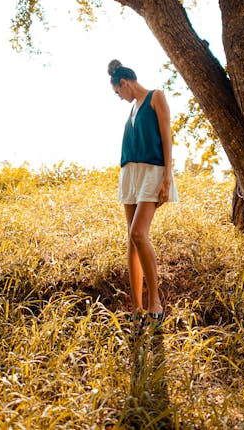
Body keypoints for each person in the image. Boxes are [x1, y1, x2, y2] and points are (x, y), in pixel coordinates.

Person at [108, 59, 178, 330]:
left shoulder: (155, 97)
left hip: (153, 170)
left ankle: (155, 302)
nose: (120, 98)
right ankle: (136, 308)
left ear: (124, 83)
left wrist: (167, 175)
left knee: (139, 234)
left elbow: (166, 136)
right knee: (131, 240)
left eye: (118, 93)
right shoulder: (133, 109)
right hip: (131, 172)